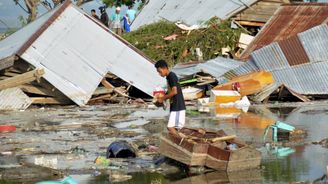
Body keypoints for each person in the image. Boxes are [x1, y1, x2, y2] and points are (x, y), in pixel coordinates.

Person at [155, 60, 186, 137]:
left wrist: (163, 98)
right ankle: (180, 143)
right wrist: (163, 97)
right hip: (175, 106)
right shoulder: (169, 77)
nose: (159, 73)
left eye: (159, 71)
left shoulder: (172, 76)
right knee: (174, 128)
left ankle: (181, 144)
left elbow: (174, 92)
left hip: (178, 106)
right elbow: (171, 91)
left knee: (170, 128)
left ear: (165, 68)